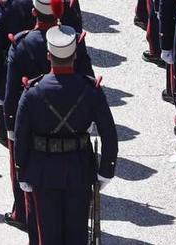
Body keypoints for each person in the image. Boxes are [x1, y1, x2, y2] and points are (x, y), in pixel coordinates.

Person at [11, 27, 119, 245]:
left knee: (47, 238)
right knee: (77, 237)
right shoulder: (90, 90)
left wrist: (22, 172)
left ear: (49, 56)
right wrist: (105, 170)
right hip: (79, 170)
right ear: (75, 55)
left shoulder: (32, 92)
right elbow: (109, 133)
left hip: (43, 172)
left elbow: (20, 137)